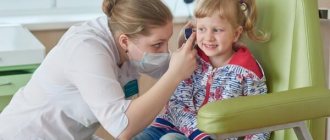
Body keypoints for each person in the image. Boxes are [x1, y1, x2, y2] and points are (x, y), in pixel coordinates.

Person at [0, 0, 198, 139]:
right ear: (124, 41)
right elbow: (123, 127)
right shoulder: (86, 50)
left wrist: (189, 50)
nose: (165, 51)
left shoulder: (127, 40)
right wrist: (174, 74)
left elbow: (171, 69)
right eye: (158, 44)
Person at [133, 0, 271, 139]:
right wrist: (198, 133)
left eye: (217, 30)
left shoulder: (248, 72)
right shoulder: (190, 60)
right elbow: (177, 105)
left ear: (235, 34)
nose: (208, 37)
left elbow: (260, 117)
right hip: (171, 125)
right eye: (202, 29)